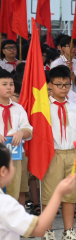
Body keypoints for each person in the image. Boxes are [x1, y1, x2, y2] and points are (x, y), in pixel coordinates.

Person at [40, 65, 76, 240]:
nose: (64, 88)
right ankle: (47, 231)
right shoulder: (43, 108)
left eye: (67, 85)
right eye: (59, 85)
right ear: (50, 85)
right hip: (53, 154)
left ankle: (68, 231)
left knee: (70, 195)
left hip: (72, 154)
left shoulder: (74, 107)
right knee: (50, 195)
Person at [0, 69, 32, 200]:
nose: (9, 87)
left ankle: (8, 219)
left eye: (11, 84)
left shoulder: (18, 108)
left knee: (13, 189)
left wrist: (20, 133)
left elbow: (28, 129)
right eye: (4, 84)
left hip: (15, 154)